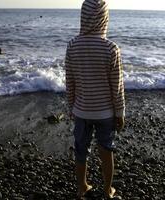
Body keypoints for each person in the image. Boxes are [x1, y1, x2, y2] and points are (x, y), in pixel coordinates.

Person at [64, 0, 125, 199]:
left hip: (81, 110)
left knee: (81, 149)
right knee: (106, 149)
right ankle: (107, 190)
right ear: (104, 18)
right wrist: (120, 113)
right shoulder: (111, 48)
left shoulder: (72, 45)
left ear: (84, 17)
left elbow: (70, 81)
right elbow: (116, 87)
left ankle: (82, 186)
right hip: (105, 112)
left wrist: (71, 107)